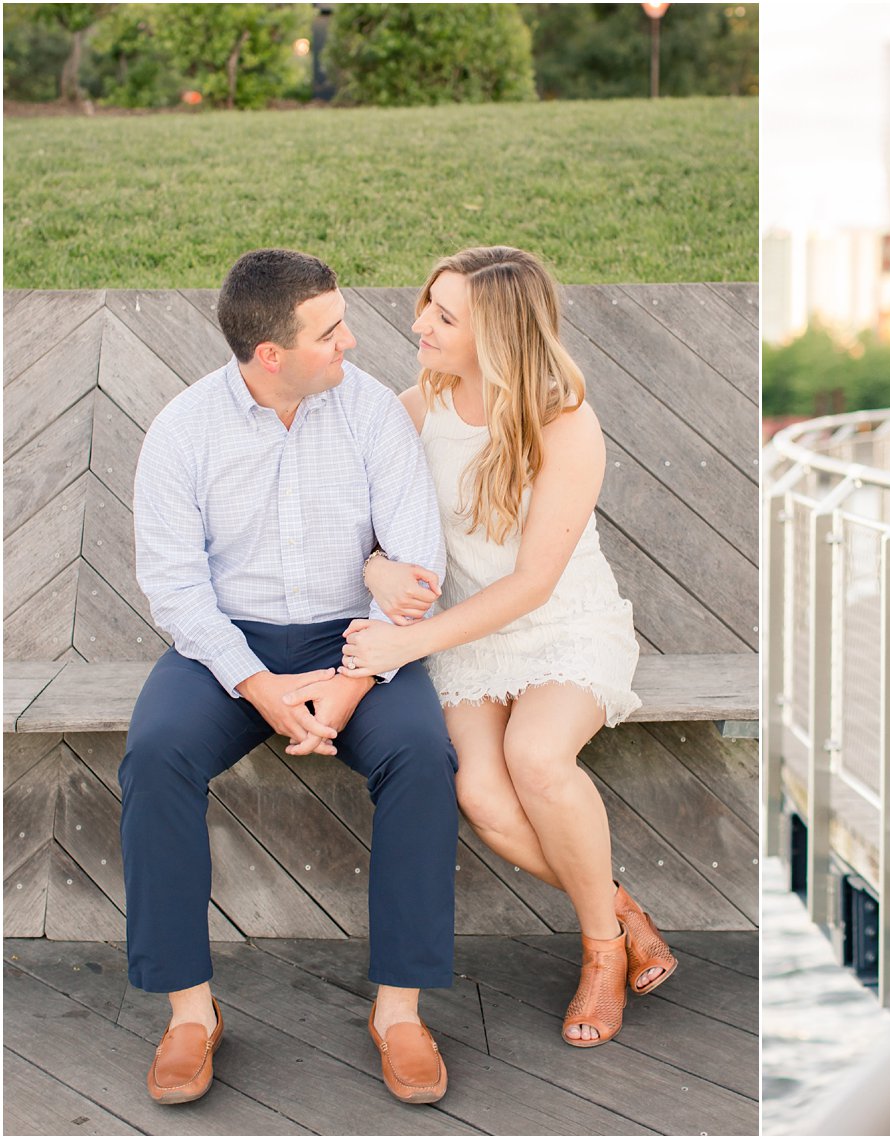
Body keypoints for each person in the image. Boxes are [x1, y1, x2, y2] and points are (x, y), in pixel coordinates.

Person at [124, 249, 457, 1105]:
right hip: (226, 647)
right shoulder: (182, 430)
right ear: (270, 353)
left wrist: (348, 682)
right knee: (156, 751)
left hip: (359, 640)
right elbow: (174, 584)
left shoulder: (372, 411)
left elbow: (418, 560)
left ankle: (399, 1011)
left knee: (422, 752)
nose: (350, 340)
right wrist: (258, 686)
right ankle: (190, 1015)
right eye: (329, 332)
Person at [339, 245, 674, 1049]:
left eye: (444, 316)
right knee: (483, 794)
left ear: (497, 333)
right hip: (465, 635)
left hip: (560, 622)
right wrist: (378, 566)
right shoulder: (416, 406)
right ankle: (623, 912)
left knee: (536, 757)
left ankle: (599, 954)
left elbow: (531, 583)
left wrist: (407, 639)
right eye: (428, 304)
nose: (420, 323)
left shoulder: (565, 420)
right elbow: (356, 525)